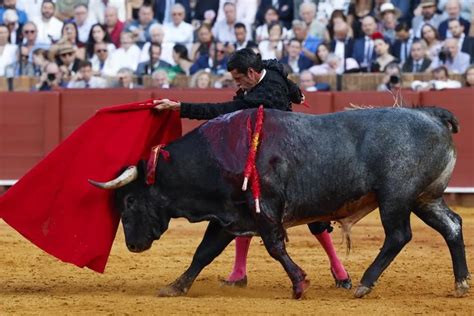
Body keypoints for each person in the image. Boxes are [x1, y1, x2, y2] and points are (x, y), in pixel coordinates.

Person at [153, 48, 351, 288]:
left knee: (313, 215)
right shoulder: (270, 69)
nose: (238, 85)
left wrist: (181, 107)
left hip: (284, 155)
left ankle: (338, 268)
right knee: (245, 202)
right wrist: (296, 93)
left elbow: (222, 110)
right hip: (267, 149)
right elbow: (286, 80)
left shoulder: (260, 96)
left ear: (251, 72)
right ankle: (239, 272)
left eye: (239, 80)